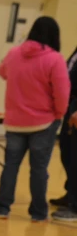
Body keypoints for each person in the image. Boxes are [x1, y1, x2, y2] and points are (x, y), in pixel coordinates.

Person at [0, 17, 70, 222]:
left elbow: (2, 71)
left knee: (10, 165)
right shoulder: (55, 59)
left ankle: (1, 207)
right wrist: (59, 114)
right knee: (39, 169)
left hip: (15, 120)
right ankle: (38, 212)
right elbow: (62, 92)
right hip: (43, 121)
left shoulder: (15, 53)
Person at [51, 45, 77, 222]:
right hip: (71, 104)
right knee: (66, 151)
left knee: (75, 156)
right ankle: (71, 193)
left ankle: (75, 206)